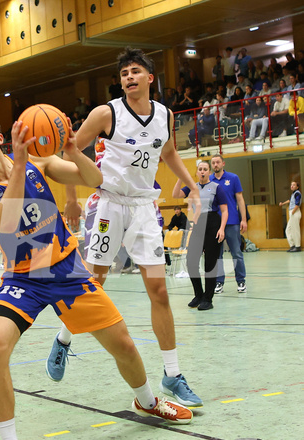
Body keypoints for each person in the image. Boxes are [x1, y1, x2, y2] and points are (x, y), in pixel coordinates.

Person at [0, 108, 192, 440]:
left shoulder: (39, 162)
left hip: (68, 271)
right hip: (23, 279)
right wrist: (18, 165)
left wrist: (72, 148)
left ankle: (147, 402)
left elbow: (95, 179)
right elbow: (7, 221)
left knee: (125, 346)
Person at [51, 47, 203, 408]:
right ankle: (63, 340)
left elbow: (168, 153)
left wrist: (192, 185)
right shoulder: (107, 113)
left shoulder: (165, 115)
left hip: (143, 208)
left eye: (135, 72)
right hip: (108, 203)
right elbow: (70, 149)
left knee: (160, 292)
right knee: (95, 283)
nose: (129, 78)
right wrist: (71, 198)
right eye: (124, 74)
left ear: (150, 78)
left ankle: (172, 375)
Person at [173, 160, 228, 311]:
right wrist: (181, 177)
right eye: (200, 169)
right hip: (197, 224)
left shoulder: (217, 188)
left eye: (205, 169)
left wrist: (222, 228)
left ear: (209, 172)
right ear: (197, 173)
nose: (202, 172)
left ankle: (208, 299)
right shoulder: (192, 188)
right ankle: (198, 294)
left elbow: (224, 211)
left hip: (213, 223)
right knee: (191, 261)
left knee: (210, 264)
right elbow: (175, 194)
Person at [210, 155, 248, 294]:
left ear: (223, 164)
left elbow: (240, 199)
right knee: (217, 255)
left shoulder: (233, 178)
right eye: (213, 163)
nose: (215, 165)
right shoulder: (208, 180)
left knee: (236, 253)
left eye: (218, 162)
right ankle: (219, 282)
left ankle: (241, 281)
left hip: (232, 222)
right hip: (215, 223)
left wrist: (243, 219)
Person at [279, 180, 301, 252]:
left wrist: (293, 212)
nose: (292, 186)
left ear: (297, 187)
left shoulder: (297, 193)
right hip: (292, 212)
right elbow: (289, 200)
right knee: (288, 230)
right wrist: (283, 203)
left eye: (294, 185)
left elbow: (297, 204)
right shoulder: (293, 194)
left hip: (294, 212)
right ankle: (292, 245)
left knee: (295, 230)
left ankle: (297, 246)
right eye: (291, 184)